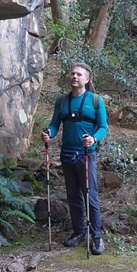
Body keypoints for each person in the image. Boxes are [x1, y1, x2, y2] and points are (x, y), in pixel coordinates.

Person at [42, 63, 108, 254]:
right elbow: (54, 125)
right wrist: (48, 133)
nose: (74, 77)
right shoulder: (62, 101)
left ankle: (97, 237)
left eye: (79, 74)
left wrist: (93, 139)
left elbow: (103, 127)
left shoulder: (95, 101)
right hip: (67, 154)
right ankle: (79, 231)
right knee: (73, 195)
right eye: (72, 74)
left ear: (87, 79)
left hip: (86, 155)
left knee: (90, 195)